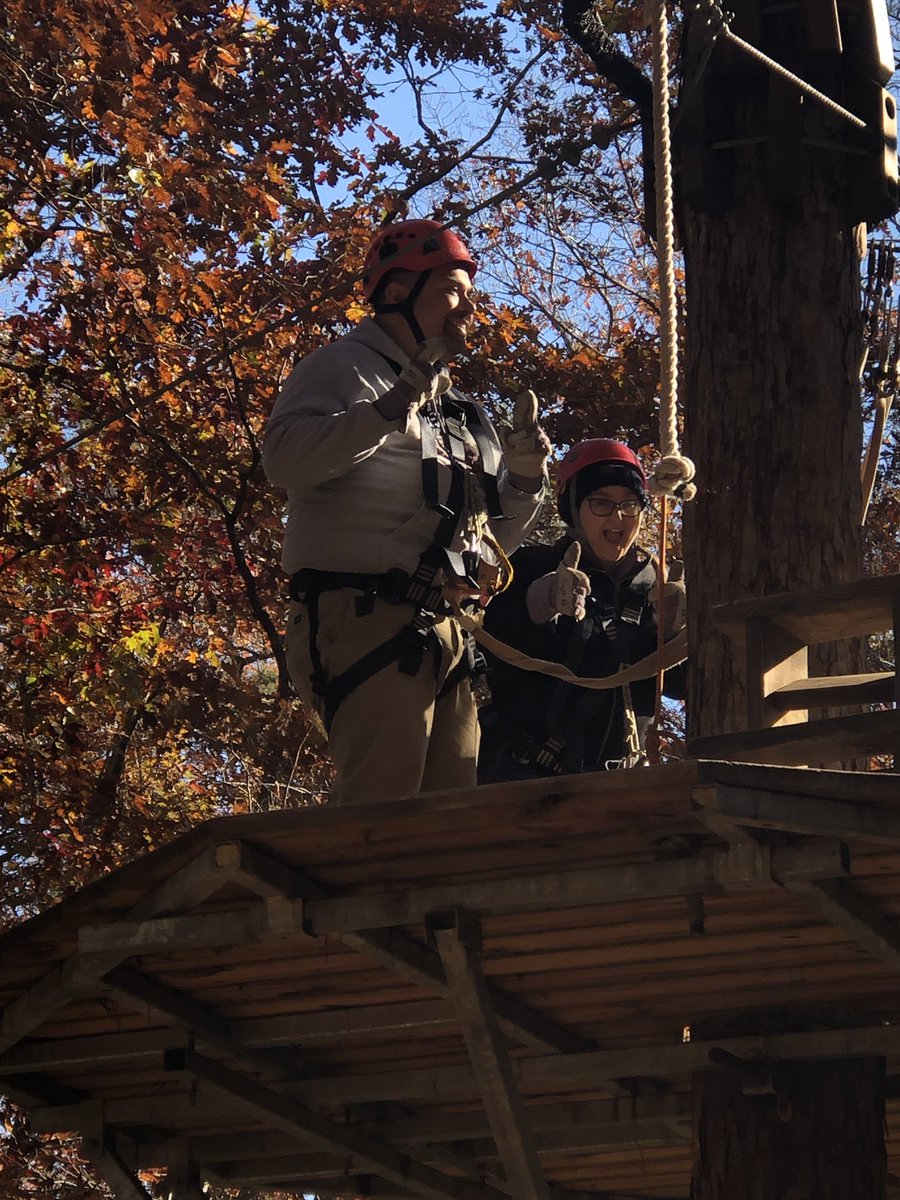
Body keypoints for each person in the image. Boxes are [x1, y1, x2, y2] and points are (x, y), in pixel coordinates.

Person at [262, 218, 549, 804]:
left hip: (446, 627)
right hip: (365, 612)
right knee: (383, 805)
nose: (468, 308)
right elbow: (285, 461)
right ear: (397, 292)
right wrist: (390, 408)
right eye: (451, 290)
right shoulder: (342, 367)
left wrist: (523, 479)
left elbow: (491, 541)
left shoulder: (460, 412)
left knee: (451, 819)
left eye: (470, 295)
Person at [477, 438, 686, 782]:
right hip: (523, 775)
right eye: (601, 503)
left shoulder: (657, 589)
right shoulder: (527, 566)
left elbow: (681, 688)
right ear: (573, 509)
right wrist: (535, 606)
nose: (618, 518)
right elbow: (488, 647)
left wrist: (678, 639)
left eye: (630, 504)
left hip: (623, 784)